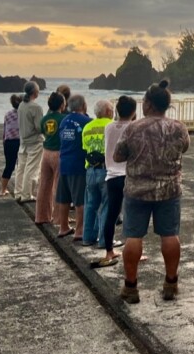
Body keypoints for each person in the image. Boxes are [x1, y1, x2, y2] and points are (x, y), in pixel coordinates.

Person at [115, 80, 190, 303]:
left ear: (147, 104)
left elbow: (118, 155)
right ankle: (171, 283)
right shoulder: (178, 128)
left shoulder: (133, 128)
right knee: (170, 235)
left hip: (137, 191)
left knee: (133, 236)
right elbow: (184, 147)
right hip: (169, 190)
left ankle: (131, 287)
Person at [92, 95, 136, 269]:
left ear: (117, 110)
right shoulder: (133, 127)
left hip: (111, 176)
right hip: (129, 175)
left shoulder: (109, 127)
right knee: (133, 215)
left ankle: (109, 251)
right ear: (133, 112)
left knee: (111, 214)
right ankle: (134, 251)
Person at [55, 95, 92, 240]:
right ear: (83, 105)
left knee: (64, 198)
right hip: (78, 163)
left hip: (64, 161)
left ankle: (63, 227)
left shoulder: (64, 120)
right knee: (80, 199)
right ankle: (79, 230)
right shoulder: (87, 122)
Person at [81, 100, 114, 248]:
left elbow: (85, 147)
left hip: (90, 170)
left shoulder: (87, 127)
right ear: (108, 111)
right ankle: (104, 240)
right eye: (112, 109)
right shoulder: (111, 126)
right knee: (107, 206)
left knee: (90, 205)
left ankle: (87, 237)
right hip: (106, 169)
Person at [35, 92, 65, 224]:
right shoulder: (63, 119)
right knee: (58, 186)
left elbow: (42, 131)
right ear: (62, 104)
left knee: (44, 185)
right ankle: (58, 217)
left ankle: (41, 216)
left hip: (46, 152)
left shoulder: (44, 119)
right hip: (59, 153)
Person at [14, 81, 44, 203]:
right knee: (31, 168)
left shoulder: (21, 105)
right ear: (35, 92)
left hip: (23, 140)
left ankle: (18, 192)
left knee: (21, 167)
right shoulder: (36, 107)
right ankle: (26, 194)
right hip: (34, 141)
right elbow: (39, 127)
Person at [0, 94, 21, 196]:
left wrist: (4, 140)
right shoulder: (23, 114)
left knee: (9, 166)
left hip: (8, 142)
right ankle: (20, 189)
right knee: (21, 167)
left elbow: (5, 128)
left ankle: (3, 189)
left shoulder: (7, 114)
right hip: (20, 141)